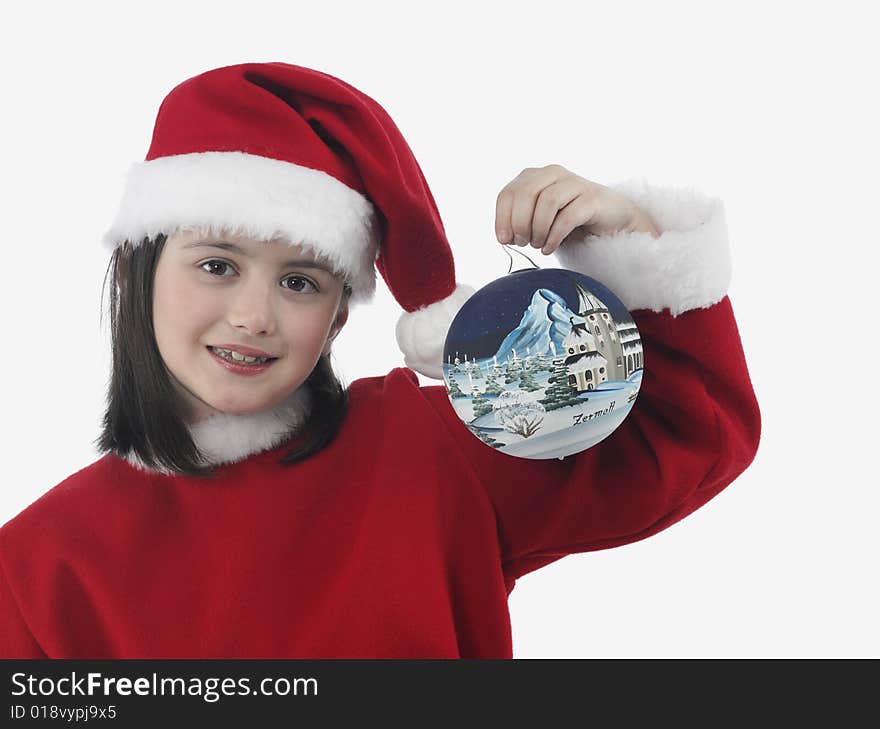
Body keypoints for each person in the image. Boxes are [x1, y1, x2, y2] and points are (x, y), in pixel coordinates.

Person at [0, 61, 761, 658]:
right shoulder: (36, 567)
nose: (254, 316)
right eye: (217, 265)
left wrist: (627, 239)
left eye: (300, 281)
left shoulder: (425, 451)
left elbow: (688, 437)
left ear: (337, 316)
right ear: (139, 270)